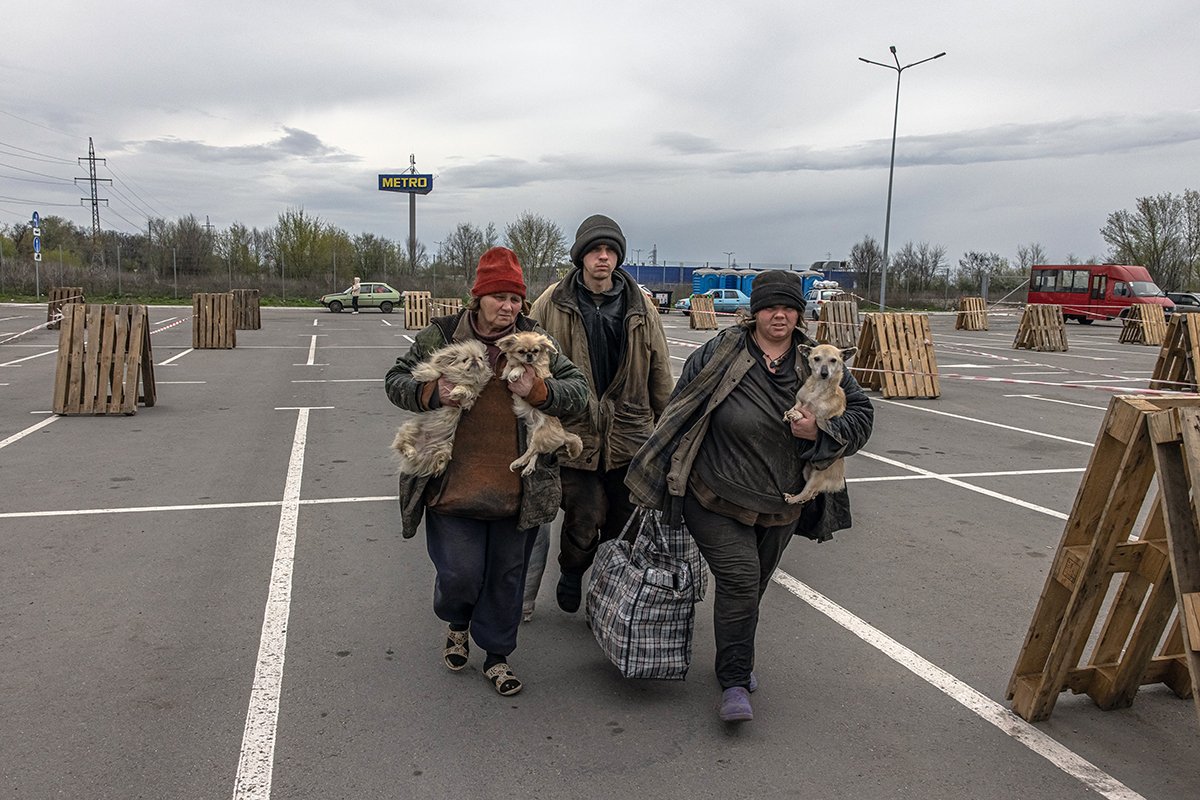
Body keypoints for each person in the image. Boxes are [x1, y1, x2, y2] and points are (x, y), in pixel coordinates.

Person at [625, 270, 873, 723]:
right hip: (713, 494)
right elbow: (680, 403)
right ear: (754, 311)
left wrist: (821, 430)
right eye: (769, 307)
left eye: (789, 307)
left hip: (781, 506)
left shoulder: (818, 360)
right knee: (740, 580)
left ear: (799, 312)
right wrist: (657, 469)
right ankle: (735, 681)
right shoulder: (722, 350)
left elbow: (862, 418)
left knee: (750, 588)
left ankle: (736, 652)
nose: (779, 315)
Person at [384, 247, 589, 696]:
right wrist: (432, 392)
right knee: (459, 573)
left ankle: (497, 657)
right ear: (477, 299)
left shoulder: (534, 341)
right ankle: (457, 620)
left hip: (517, 490)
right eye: (499, 297)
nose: (509, 308)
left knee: (506, 579)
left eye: (516, 299)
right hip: (452, 486)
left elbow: (579, 394)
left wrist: (539, 390)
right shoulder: (441, 335)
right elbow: (396, 381)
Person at [526, 214, 674, 616]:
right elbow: (528, 356)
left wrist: (670, 431)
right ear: (581, 257)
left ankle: (608, 598)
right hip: (576, 433)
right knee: (584, 517)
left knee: (624, 527)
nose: (603, 258)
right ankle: (572, 571)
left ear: (618, 257)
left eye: (610, 251)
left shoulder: (639, 305)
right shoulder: (553, 302)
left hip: (630, 433)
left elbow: (659, 367)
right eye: (595, 250)